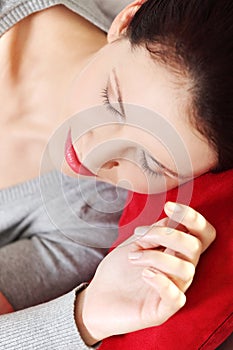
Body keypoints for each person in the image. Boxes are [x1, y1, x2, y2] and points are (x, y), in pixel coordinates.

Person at [0, 0, 232, 349]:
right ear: (127, 19)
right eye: (111, 102)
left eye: (152, 163)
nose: (96, 156)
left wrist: (87, 316)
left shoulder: (91, 224)